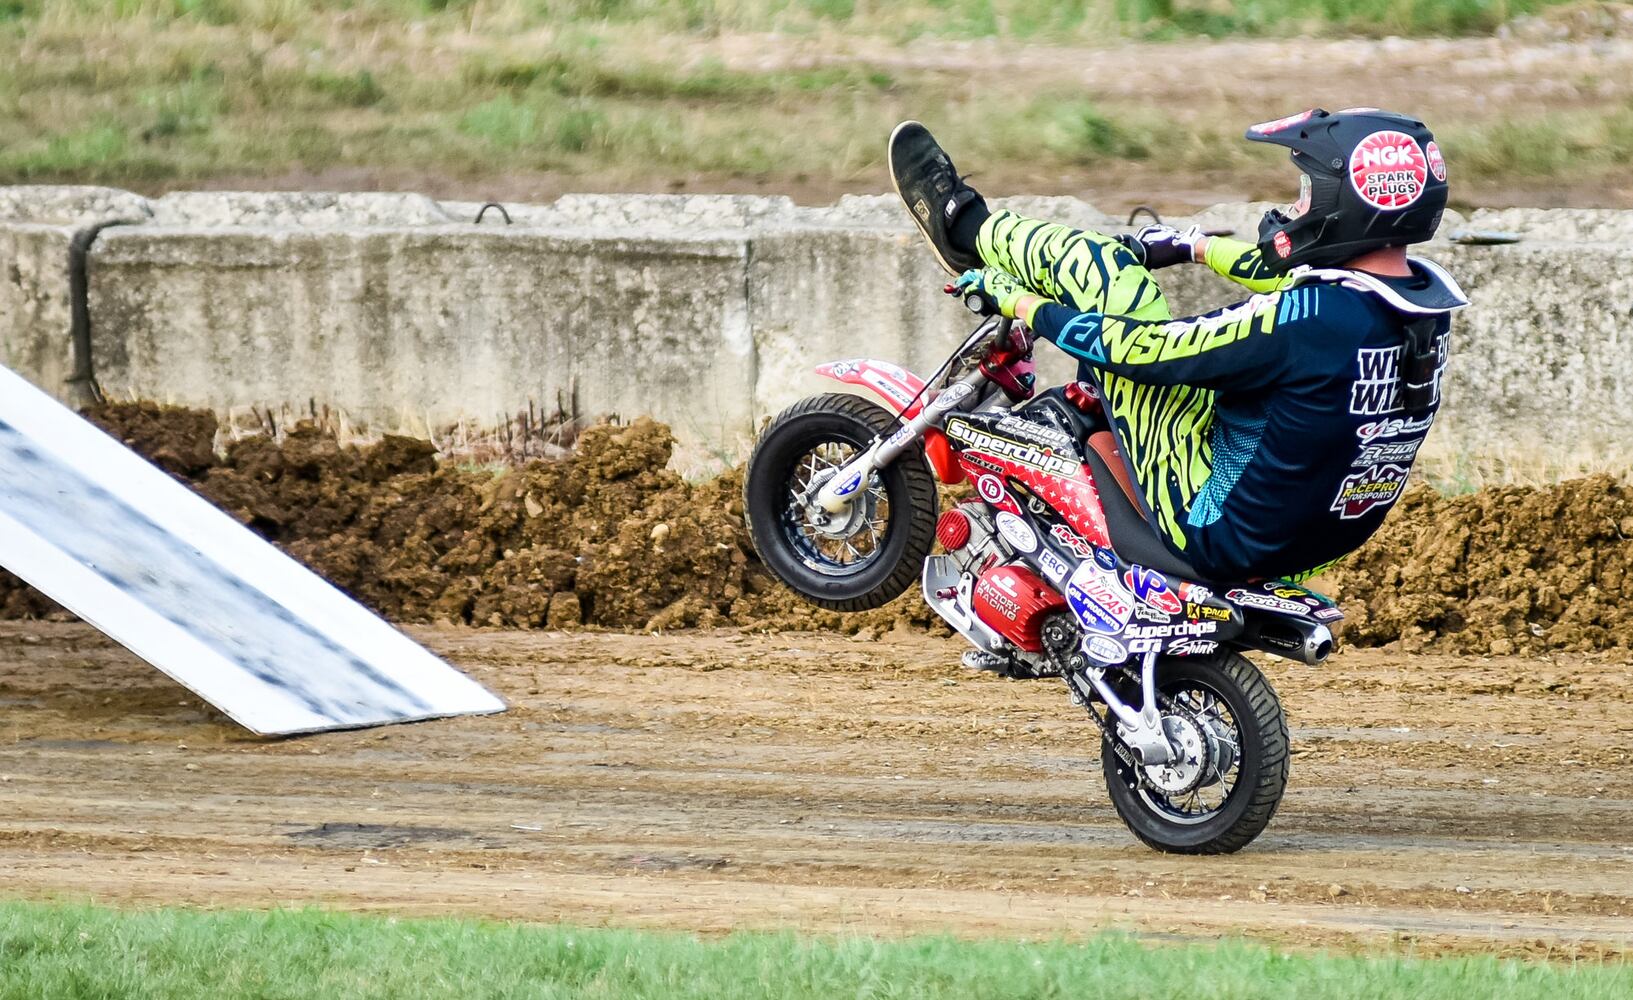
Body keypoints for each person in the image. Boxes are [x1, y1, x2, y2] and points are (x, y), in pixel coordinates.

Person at [888, 108, 1468, 583]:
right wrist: (1194, 247)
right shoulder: (1413, 303)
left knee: (1108, 273)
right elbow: (1293, 281)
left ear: (1344, 205)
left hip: (1211, 527)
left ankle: (964, 226)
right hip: (1307, 537)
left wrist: (1020, 303)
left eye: (1306, 192)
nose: (1294, 208)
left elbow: (1148, 350)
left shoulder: (1304, 320)